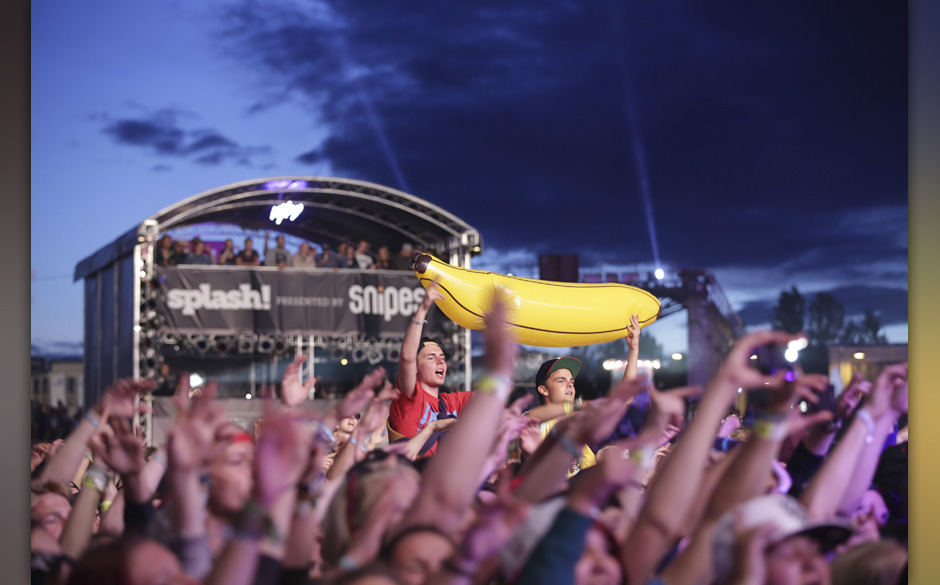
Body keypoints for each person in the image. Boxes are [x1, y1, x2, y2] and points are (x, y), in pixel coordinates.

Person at [387, 281, 472, 457]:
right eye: (431, 358)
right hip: (411, 480)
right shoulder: (410, 397)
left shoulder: (451, 402)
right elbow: (406, 357)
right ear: (415, 368)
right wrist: (423, 308)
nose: (440, 362)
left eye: (442, 358)